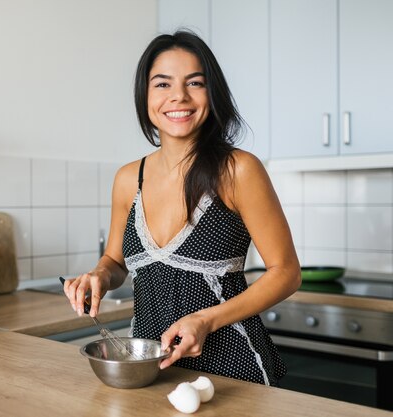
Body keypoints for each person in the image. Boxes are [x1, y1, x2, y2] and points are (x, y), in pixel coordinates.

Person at [62, 30, 301, 386]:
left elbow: (286, 272)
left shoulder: (238, 170)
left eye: (195, 83)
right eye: (162, 84)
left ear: (212, 93)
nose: (179, 96)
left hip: (234, 373)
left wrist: (205, 320)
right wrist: (98, 276)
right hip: (150, 372)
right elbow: (115, 263)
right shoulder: (130, 178)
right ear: (145, 95)